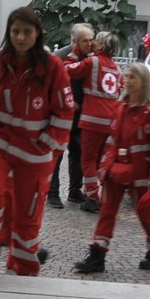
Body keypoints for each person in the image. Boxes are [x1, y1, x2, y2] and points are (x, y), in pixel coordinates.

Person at [0, 7, 74, 275]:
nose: (20, 37)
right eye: (15, 31)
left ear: (37, 33)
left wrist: (48, 142)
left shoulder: (52, 68)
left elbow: (64, 111)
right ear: (9, 32)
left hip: (34, 153)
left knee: (28, 218)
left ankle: (24, 268)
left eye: (26, 32)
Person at [72, 62, 150, 274]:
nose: (126, 80)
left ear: (143, 81)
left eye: (132, 76)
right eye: (126, 76)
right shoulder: (119, 107)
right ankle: (97, 255)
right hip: (116, 170)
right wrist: (104, 167)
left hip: (141, 173)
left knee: (146, 213)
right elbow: (113, 139)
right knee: (107, 212)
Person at [64, 31, 124, 213]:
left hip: (92, 120)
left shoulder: (92, 62)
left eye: (95, 41)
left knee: (88, 160)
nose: (93, 44)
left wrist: (74, 51)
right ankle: (107, 196)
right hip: (110, 122)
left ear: (101, 45)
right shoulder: (117, 69)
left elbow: (68, 69)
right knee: (100, 161)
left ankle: (91, 198)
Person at [46, 23, 94, 209]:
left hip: (81, 114)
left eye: (91, 40)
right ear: (74, 41)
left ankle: (75, 190)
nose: (89, 44)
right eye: (85, 41)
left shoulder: (91, 57)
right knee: (56, 155)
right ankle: (52, 193)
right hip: (60, 114)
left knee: (78, 151)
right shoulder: (59, 58)